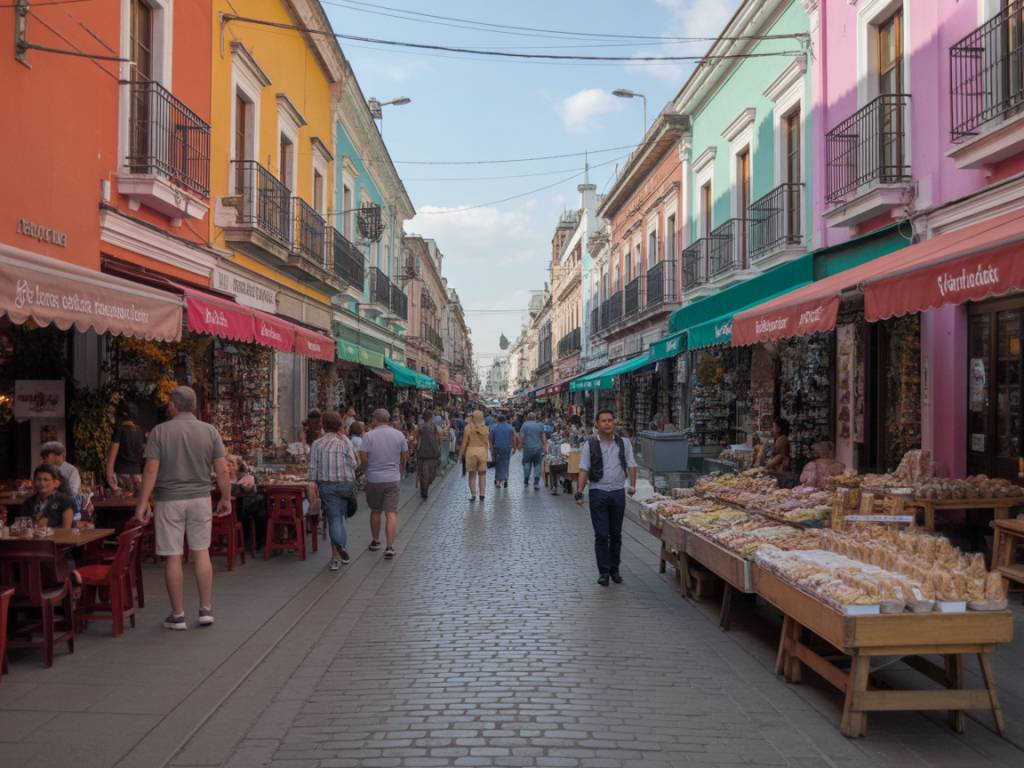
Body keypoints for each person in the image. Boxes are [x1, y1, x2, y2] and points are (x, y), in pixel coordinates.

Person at [134, 386, 230, 631]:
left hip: (169, 500)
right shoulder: (210, 431)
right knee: (201, 551)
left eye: (169, 403)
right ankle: (206, 609)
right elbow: (222, 470)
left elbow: (151, 470)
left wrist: (143, 502)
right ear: (195, 406)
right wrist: (225, 497)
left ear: (174, 405)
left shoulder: (159, 432)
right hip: (200, 498)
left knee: (173, 555)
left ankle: (178, 614)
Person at [575, 410, 638, 587]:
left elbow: (632, 464)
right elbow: (584, 468)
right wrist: (579, 491)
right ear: (597, 424)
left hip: (618, 492)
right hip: (598, 492)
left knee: (616, 534)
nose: (608, 424)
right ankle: (603, 572)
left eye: (610, 420)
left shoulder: (624, 443)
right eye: (604, 421)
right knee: (602, 534)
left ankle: (614, 569)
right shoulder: (590, 444)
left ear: (614, 423)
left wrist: (632, 485)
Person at [308, 411, 359, 571]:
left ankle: (336, 554)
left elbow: (312, 468)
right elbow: (354, 463)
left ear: (323, 424)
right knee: (340, 518)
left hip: (328, 485)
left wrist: (312, 485)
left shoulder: (317, 444)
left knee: (334, 518)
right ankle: (339, 550)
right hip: (345, 484)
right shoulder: (345, 441)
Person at [359, 408, 408, 559]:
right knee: (391, 513)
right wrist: (400, 469)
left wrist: (367, 471)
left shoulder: (368, 436)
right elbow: (404, 455)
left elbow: (363, 457)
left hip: (374, 479)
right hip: (393, 478)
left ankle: (375, 541)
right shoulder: (399, 435)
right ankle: (390, 546)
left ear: (375, 419)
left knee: (375, 510)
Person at [19, 463, 75, 530]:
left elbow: (66, 531)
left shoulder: (66, 501)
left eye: (46, 480)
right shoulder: (28, 502)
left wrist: (48, 526)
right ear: (34, 482)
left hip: (56, 539)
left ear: (55, 483)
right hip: (33, 539)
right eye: (39, 479)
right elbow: (22, 527)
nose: (42, 483)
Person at [106, 402, 146, 492]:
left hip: (122, 474)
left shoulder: (119, 431)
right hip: (137, 475)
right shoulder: (140, 431)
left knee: (123, 502)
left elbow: (111, 457)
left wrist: (110, 478)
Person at [227, 454, 265, 548]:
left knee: (259, 511)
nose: (228, 465)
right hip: (227, 512)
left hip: (243, 510)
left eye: (231, 463)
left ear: (238, 466)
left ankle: (254, 541)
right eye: (226, 463)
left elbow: (246, 490)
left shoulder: (247, 478)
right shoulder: (221, 479)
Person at [460, 410, 491, 501]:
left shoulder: (468, 428)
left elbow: (464, 443)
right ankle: (482, 494)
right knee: (482, 475)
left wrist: (461, 454)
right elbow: (486, 442)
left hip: (471, 451)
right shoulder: (486, 428)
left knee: (472, 475)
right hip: (482, 452)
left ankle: (473, 495)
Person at [517, 412, 547, 491]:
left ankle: (526, 480)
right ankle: (536, 482)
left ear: (527, 417)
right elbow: (543, 437)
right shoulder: (540, 425)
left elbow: (521, 437)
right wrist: (545, 447)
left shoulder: (524, 425)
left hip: (527, 448)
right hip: (538, 448)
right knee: (537, 464)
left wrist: (519, 446)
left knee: (527, 463)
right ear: (535, 417)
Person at [416, 411, 442, 499]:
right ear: (430, 417)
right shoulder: (421, 427)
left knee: (431, 475)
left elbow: (438, 436)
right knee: (425, 474)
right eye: (433, 416)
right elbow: (417, 438)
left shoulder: (434, 427)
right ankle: (424, 491)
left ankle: (424, 487)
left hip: (431, 454)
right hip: (423, 454)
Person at [490, 414, 516, 489]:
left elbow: (491, 439)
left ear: (498, 420)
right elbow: (514, 438)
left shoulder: (494, 427)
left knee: (498, 464)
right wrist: (514, 448)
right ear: (505, 420)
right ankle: (505, 480)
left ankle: (498, 481)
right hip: (507, 448)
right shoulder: (510, 427)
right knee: (506, 463)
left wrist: (491, 449)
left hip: (497, 448)